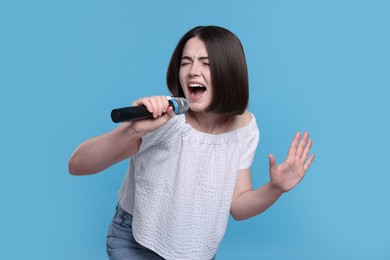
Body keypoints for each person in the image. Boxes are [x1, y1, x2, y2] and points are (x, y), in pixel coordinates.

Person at [68, 25, 314, 260]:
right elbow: (77, 165)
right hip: (138, 242)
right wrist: (130, 131)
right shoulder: (165, 119)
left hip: (196, 249)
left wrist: (275, 189)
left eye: (206, 63)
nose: (192, 70)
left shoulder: (245, 128)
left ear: (229, 71)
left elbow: (238, 206)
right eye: (186, 62)